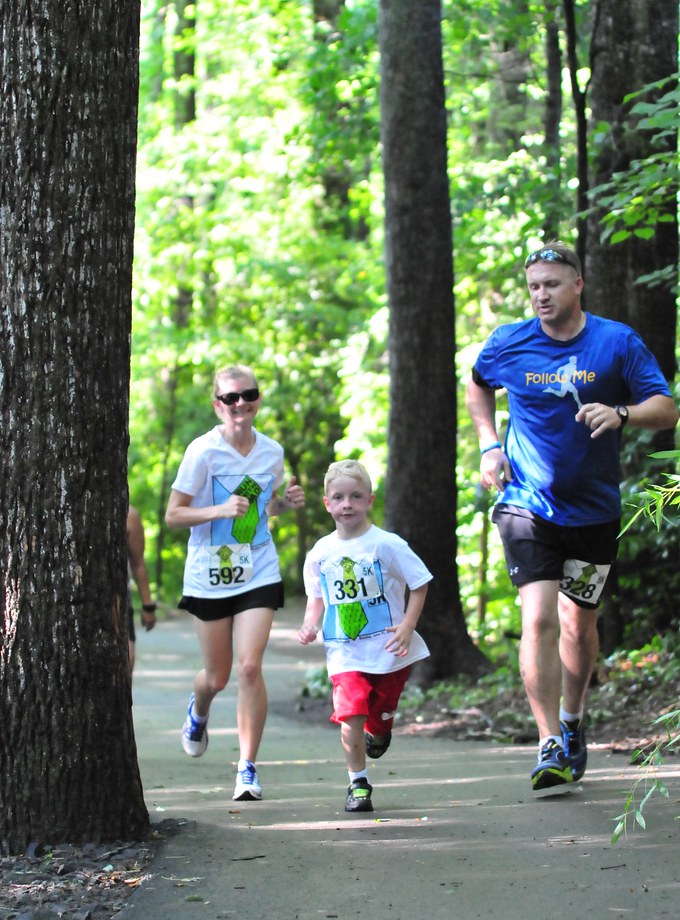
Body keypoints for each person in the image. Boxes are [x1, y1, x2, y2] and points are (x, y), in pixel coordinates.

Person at [465, 241, 678, 792]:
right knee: (537, 618)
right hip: (527, 505)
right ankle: (547, 744)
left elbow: (666, 406)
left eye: (552, 284)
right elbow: (477, 384)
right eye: (534, 285)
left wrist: (622, 411)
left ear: (577, 285)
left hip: (593, 513)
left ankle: (573, 719)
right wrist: (490, 445)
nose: (541, 295)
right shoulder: (509, 342)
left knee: (578, 621)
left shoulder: (615, 342)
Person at [165, 365, 305, 801]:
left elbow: (261, 511)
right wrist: (217, 511)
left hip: (257, 567)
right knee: (217, 676)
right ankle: (199, 710)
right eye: (230, 398)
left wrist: (285, 503)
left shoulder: (271, 452)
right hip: (209, 572)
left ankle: (246, 768)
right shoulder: (202, 452)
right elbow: (173, 515)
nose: (240, 403)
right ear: (217, 405)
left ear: (258, 399)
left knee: (249, 667)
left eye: (248, 394)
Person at [298, 460, 432, 813]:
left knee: (380, 712)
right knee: (350, 713)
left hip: (389, 651)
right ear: (327, 503)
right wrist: (311, 623)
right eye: (339, 497)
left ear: (370, 500)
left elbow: (420, 584)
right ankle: (358, 783)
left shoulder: (387, 545)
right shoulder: (321, 553)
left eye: (355, 497)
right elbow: (317, 595)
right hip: (345, 653)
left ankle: (383, 728)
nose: (347, 505)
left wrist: (408, 626)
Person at [127, 505, 157, 670]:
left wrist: (148, 606)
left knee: (126, 664)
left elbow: (138, 563)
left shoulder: (129, 515)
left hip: (118, 601)